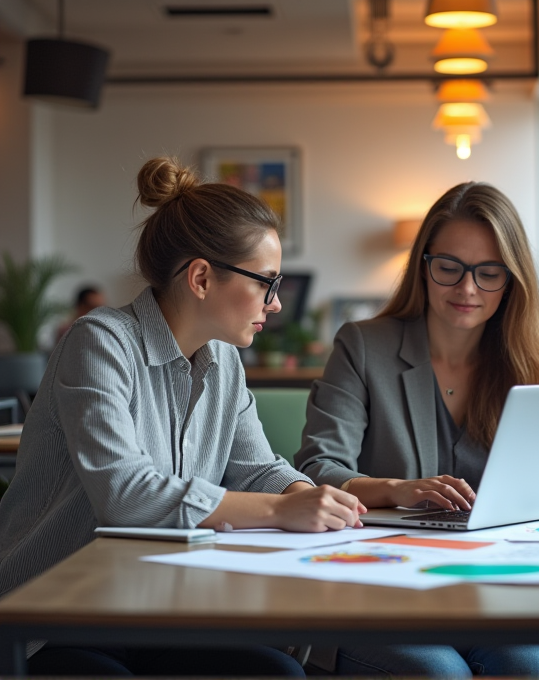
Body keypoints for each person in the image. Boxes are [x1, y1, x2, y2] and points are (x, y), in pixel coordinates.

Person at [0, 157, 364, 677]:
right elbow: (126, 495)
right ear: (200, 278)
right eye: (267, 282)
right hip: (53, 616)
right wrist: (279, 512)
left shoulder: (224, 362)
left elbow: (257, 467)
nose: (277, 303)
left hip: (157, 606)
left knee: (279, 672)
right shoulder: (99, 343)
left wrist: (305, 497)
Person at [295, 181, 539, 677]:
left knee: (536, 668)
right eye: (449, 268)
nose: (467, 289)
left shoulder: (527, 367)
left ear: (511, 281)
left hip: (497, 589)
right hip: (384, 591)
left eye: (489, 273)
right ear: (423, 266)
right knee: (439, 673)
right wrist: (397, 490)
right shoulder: (362, 346)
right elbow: (317, 469)